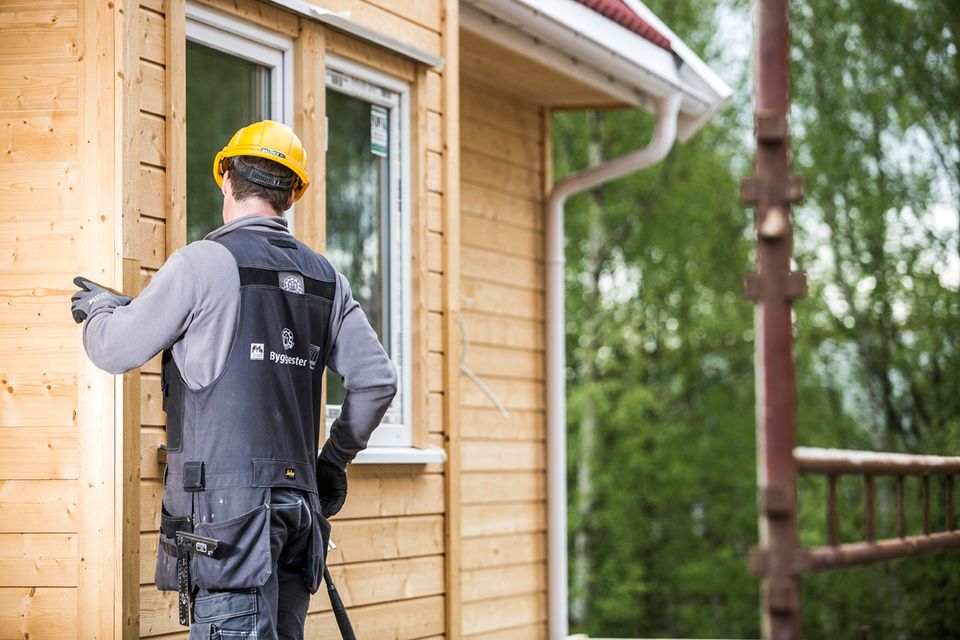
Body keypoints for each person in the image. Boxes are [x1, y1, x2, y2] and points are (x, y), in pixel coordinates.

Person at [70, 120, 397, 640]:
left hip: (229, 527)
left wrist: (99, 310)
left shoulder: (202, 265)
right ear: (291, 195)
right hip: (297, 516)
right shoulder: (325, 279)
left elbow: (114, 348)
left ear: (226, 180)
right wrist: (332, 462)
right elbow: (378, 380)